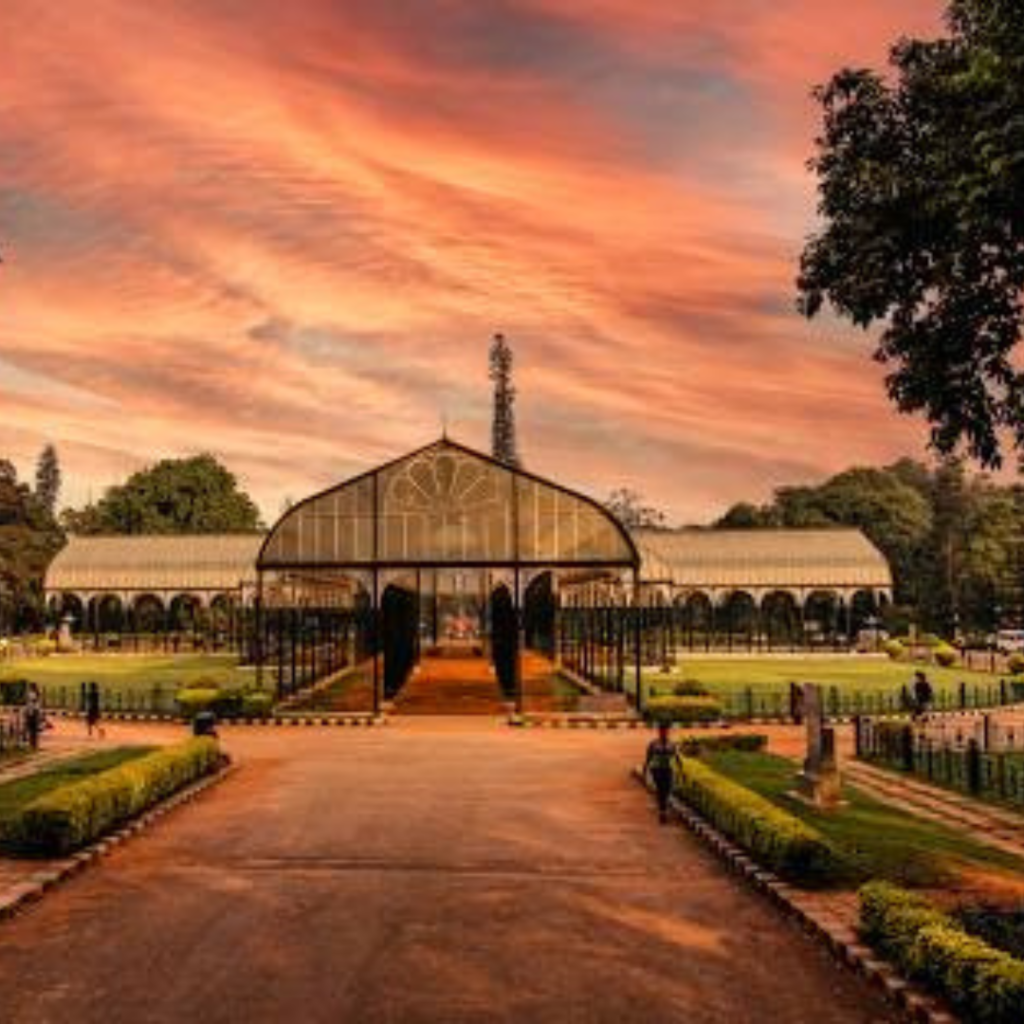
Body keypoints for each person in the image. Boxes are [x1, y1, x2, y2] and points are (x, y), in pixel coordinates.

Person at [644, 723, 677, 824]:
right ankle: (663, 812)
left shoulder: (671, 744)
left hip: (667, 769)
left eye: (666, 731)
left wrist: (681, 770)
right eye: (662, 731)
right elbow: (648, 758)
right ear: (659, 732)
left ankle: (663, 810)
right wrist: (645, 769)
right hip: (657, 769)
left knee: (667, 790)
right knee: (660, 790)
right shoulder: (653, 744)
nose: (664, 733)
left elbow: (676, 757)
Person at [23, 683, 44, 751]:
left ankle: (33, 744)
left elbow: (31, 703)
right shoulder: (36, 696)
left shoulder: (32, 695)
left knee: (32, 730)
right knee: (33, 730)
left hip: (32, 713)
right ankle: (33, 744)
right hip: (32, 712)